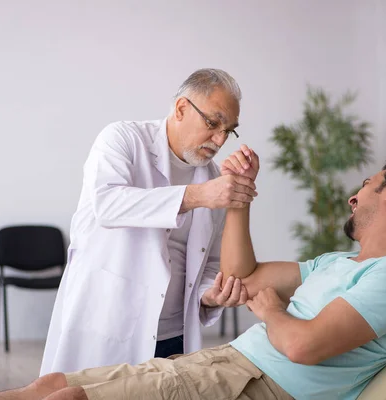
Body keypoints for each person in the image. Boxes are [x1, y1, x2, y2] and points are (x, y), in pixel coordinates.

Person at [0, 153, 386, 400]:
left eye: (366, 185)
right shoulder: (338, 264)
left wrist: (272, 309)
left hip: (258, 385)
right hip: (231, 365)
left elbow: (303, 346)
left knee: (69, 398)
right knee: (49, 383)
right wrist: (238, 197)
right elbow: (245, 274)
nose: (353, 196)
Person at [40, 68, 257, 375]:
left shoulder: (213, 179)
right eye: (213, 123)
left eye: (229, 130)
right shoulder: (123, 139)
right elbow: (108, 205)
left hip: (172, 336)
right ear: (182, 108)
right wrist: (197, 196)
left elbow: (208, 264)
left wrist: (211, 295)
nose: (220, 139)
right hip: (107, 324)